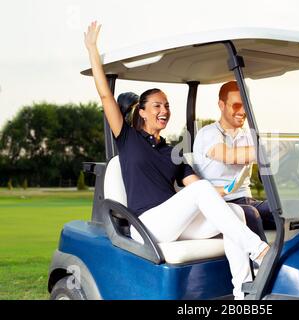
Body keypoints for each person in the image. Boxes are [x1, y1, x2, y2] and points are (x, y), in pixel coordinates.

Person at [83, 21, 269, 299]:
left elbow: (199, 187)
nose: (164, 110)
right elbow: (105, 95)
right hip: (147, 224)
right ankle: (259, 250)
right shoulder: (128, 138)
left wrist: (228, 190)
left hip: (175, 223)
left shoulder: (173, 151)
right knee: (206, 195)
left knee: (237, 213)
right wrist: (92, 50)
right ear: (142, 113)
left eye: (167, 106)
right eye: (157, 105)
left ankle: (243, 294)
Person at [193, 81, 276, 243]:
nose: (243, 111)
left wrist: (290, 152)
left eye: (245, 105)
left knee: (292, 207)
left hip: (247, 200)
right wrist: (271, 148)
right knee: (250, 214)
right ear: (221, 105)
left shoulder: (247, 135)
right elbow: (229, 156)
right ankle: (263, 264)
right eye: (237, 105)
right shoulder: (208, 133)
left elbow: (265, 160)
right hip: (219, 203)